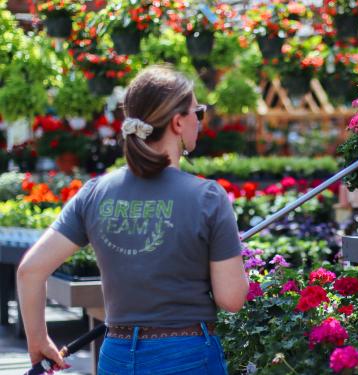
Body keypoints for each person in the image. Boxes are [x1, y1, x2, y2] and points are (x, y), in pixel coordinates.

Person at [17, 65, 248, 374]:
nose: (200, 120)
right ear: (178, 122)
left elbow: (30, 271)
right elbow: (231, 298)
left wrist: (38, 340)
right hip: (187, 356)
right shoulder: (207, 197)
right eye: (198, 112)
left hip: (117, 355)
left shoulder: (94, 193)